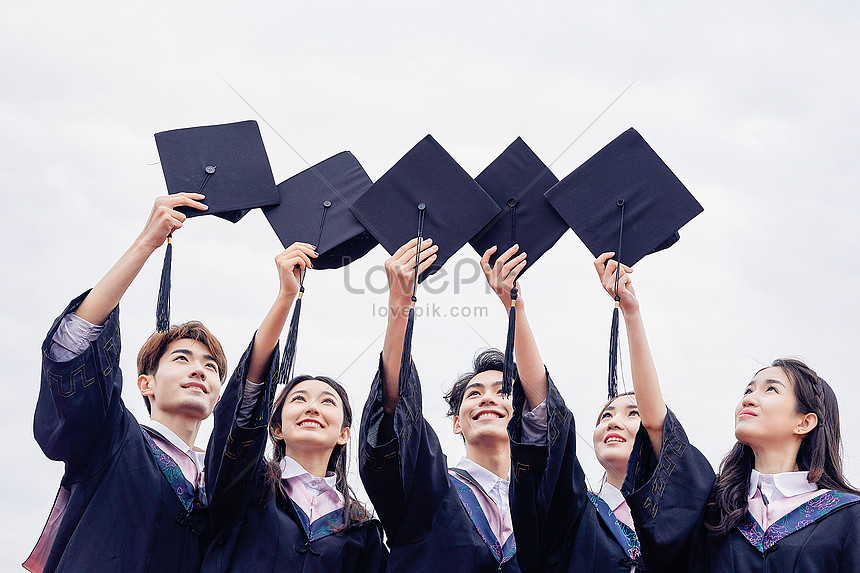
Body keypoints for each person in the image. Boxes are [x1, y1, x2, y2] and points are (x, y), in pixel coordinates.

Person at [593, 252, 860, 572]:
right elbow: (656, 425)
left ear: (804, 422)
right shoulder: (716, 508)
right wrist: (632, 313)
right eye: (748, 390)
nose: (748, 399)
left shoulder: (845, 517)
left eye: (770, 389)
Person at [25, 193, 227, 573]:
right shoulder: (111, 437)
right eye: (182, 359)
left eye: (211, 367)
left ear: (218, 395)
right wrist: (147, 242)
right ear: (145, 384)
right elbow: (73, 348)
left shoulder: (224, 481)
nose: (199, 370)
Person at [359, 239, 551, 572]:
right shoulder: (430, 489)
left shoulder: (547, 505)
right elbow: (393, 414)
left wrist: (514, 307)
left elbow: (544, 408)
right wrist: (400, 304)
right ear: (457, 423)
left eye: (502, 391)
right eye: (474, 394)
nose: (487, 397)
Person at [202, 242, 387, 573]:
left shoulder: (361, 529)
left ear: (345, 433)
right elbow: (241, 416)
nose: (312, 407)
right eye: (298, 399)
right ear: (275, 427)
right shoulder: (248, 486)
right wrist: (286, 296)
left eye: (327, 401)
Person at [506, 253, 646, 573]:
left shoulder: (689, 518)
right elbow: (544, 412)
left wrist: (632, 311)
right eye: (606, 416)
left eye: (633, 413)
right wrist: (515, 309)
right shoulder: (575, 511)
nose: (614, 421)